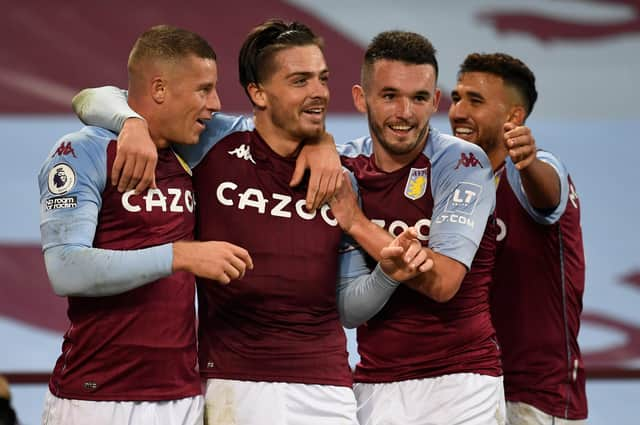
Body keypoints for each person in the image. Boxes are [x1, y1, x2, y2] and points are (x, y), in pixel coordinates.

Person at [71, 19, 431, 425]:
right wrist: (130, 123)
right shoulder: (211, 141)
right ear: (258, 93)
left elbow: (348, 308)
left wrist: (388, 274)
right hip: (234, 383)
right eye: (299, 81)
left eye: (322, 79)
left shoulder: (340, 179)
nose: (318, 92)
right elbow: (91, 98)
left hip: (329, 389)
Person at [38, 25, 255, 425]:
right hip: (96, 397)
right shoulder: (82, 151)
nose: (215, 103)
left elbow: (279, 132)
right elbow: (65, 270)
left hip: (182, 397)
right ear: (159, 89)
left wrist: (324, 149)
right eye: (203, 89)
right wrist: (180, 255)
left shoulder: (199, 145)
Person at [326, 31, 505, 425]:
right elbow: (350, 310)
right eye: (389, 95)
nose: (405, 112)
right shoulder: (342, 167)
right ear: (360, 98)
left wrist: (356, 223)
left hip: (462, 382)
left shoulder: (463, 162)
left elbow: (443, 282)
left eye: (419, 98)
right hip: (375, 384)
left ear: (435, 102)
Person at [449, 52, 587, 424]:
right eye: (456, 98)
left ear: (514, 117)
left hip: (535, 400)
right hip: (470, 394)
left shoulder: (535, 171)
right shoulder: (454, 183)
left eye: (475, 101)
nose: (459, 111)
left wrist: (528, 163)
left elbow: (548, 193)